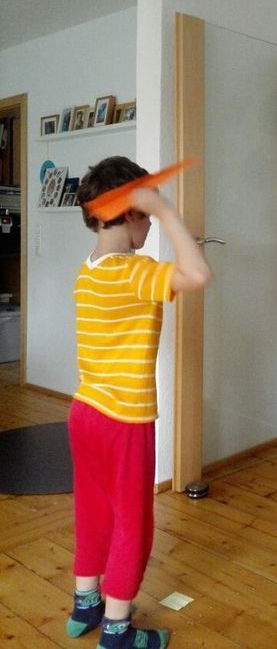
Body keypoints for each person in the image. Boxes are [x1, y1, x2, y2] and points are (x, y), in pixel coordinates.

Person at [67, 156, 213, 649]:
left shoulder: (87, 273)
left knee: (92, 510)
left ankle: (85, 603)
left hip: (83, 413)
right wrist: (167, 209)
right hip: (123, 420)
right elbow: (197, 274)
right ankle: (117, 630)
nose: (149, 226)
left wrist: (152, 204)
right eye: (145, 216)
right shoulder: (135, 273)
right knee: (133, 522)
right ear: (129, 213)